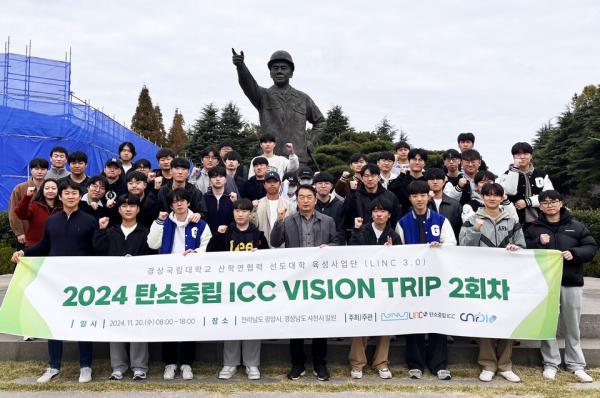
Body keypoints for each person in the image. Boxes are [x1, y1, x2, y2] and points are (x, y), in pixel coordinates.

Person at [11, 179, 97, 383]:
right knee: (53, 321)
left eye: (74, 193)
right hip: (56, 280)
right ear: (60, 196)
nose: (70, 196)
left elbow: (96, 250)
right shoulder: (52, 221)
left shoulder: (89, 220)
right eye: (66, 193)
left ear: (79, 196)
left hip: (81, 280)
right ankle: (53, 366)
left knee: (82, 322)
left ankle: (85, 366)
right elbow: (44, 245)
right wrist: (24, 251)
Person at [525, 190, 598, 383]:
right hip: (544, 285)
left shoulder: (576, 226)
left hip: (571, 281)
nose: (549, 205)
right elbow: (524, 250)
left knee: (572, 325)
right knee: (548, 324)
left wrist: (574, 253)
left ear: (561, 203)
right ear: (540, 206)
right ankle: (551, 363)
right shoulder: (533, 228)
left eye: (553, 201)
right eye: (545, 202)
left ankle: (576, 365)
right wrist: (538, 243)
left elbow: (591, 248)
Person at [270, 184, 339, 381]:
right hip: (296, 280)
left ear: (316, 199)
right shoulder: (289, 220)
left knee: (320, 322)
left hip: (319, 280)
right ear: (297, 200)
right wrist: (279, 221)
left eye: (309, 197)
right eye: (301, 197)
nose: (306, 200)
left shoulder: (327, 221)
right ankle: (297, 364)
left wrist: (330, 247)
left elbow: (337, 242)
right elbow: (275, 242)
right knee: (296, 322)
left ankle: (320, 364)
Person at [459, 182, 525, 383]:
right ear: (482, 196)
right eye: (488, 195)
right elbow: (463, 246)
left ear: (502, 196)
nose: (492, 198)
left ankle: (505, 365)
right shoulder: (472, 219)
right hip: (482, 278)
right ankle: (488, 364)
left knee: (507, 319)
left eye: (496, 195)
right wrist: (475, 230)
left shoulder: (512, 219)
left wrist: (516, 248)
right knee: (485, 319)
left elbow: (522, 245)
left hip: (507, 278)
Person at [147, 188, 212, 381]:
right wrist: (159, 222)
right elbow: (152, 244)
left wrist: (196, 254)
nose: (179, 204)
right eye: (175, 202)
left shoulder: (199, 223)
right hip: (168, 278)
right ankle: (169, 363)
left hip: (192, 279)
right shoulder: (163, 221)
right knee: (168, 320)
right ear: (171, 205)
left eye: (182, 201)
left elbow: (207, 245)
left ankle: (186, 363)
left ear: (189, 203)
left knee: (189, 320)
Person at [395, 181, 456, 381]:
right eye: (415, 196)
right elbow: (399, 252)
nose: (419, 199)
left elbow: (452, 245)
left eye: (422, 195)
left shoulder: (441, 220)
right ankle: (415, 364)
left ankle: (439, 365)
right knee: (415, 321)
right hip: (413, 281)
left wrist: (441, 248)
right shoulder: (403, 222)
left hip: (437, 280)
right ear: (410, 199)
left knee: (438, 320)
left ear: (429, 196)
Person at [207, 198, 269, 380]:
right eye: (237, 211)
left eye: (244, 211)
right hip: (229, 287)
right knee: (231, 322)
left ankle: (252, 364)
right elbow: (210, 255)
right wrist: (218, 236)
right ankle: (230, 363)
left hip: (252, 289)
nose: (240, 214)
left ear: (251, 214)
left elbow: (267, 261)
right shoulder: (225, 232)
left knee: (251, 323)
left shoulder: (259, 235)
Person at [93, 193, 152, 381]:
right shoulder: (111, 231)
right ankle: (118, 366)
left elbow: (152, 256)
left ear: (138, 209)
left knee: (138, 324)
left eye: (132, 206)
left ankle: (139, 366)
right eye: (124, 206)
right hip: (115, 287)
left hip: (138, 286)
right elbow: (97, 251)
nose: (128, 209)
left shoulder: (145, 232)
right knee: (116, 325)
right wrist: (100, 230)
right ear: (118, 210)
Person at [232, 49, 326, 166]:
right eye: (275, 68)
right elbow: (248, 84)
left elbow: (320, 122)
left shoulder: (303, 98)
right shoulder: (262, 95)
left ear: (291, 73)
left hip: (298, 159)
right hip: (271, 160)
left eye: (283, 68)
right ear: (270, 73)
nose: (279, 71)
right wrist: (241, 67)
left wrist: (311, 142)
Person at [348, 198, 401, 379]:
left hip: (384, 287)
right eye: (376, 211)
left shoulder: (393, 236)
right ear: (371, 214)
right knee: (361, 322)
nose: (379, 214)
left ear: (389, 215)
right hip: (363, 286)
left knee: (385, 324)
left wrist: (392, 253)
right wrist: (355, 231)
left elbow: (401, 262)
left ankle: (381, 362)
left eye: (383, 211)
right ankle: (357, 363)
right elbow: (352, 254)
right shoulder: (361, 232)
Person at [496, 142, 553, 226]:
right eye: (518, 154)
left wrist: (528, 202)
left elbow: (550, 195)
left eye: (526, 154)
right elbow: (509, 191)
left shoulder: (541, 175)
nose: (522, 157)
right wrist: (514, 169)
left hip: (540, 220)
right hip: (514, 221)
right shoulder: (505, 175)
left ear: (531, 156)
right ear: (513, 157)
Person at [342, 164, 401, 241]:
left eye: (373, 176)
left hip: (385, 239)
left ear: (379, 177)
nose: (370, 179)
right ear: (362, 178)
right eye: (366, 176)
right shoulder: (354, 196)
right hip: (360, 239)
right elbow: (346, 218)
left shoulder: (390, 196)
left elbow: (395, 219)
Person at [9, 158, 49, 249]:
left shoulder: (51, 188)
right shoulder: (20, 188)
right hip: (25, 236)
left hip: (46, 234)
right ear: (31, 170)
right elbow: (13, 212)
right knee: (25, 261)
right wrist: (19, 232)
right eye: (36, 169)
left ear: (47, 171)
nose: (40, 172)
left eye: (43, 169)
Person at [253, 171, 296, 247]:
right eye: (269, 182)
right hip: (263, 247)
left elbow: (293, 229)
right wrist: (253, 210)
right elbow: (253, 226)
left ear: (280, 184)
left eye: (275, 182)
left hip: (283, 248)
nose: (272, 184)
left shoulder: (289, 205)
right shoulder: (258, 204)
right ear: (264, 185)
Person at [15, 178, 62, 247]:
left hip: (57, 247)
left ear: (58, 191)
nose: (50, 191)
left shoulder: (63, 207)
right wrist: (27, 197)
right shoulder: (34, 205)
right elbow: (21, 214)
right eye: (47, 188)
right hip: (35, 246)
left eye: (53, 188)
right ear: (42, 190)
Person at [389, 148, 428, 216]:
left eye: (420, 160)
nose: (417, 162)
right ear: (409, 161)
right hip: (402, 219)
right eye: (414, 159)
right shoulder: (401, 179)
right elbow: (390, 193)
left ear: (424, 163)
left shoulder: (428, 181)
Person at [425, 168, 462, 240]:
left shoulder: (455, 205)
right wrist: (426, 201)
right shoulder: (421, 203)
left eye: (438, 179)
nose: (435, 182)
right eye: (432, 179)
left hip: (449, 245)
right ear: (427, 182)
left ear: (444, 182)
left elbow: (458, 230)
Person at [314, 172, 345, 244]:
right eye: (320, 183)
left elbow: (341, 230)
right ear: (315, 185)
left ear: (331, 186)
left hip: (333, 247)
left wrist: (334, 245)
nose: (323, 186)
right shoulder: (310, 204)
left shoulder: (339, 205)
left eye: (326, 183)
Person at [204, 166, 235, 235]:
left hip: (229, 237)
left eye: (221, 176)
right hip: (208, 237)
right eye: (214, 177)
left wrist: (235, 203)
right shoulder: (204, 198)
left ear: (225, 180)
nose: (218, 179)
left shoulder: (232, 198)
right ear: (210, 180)